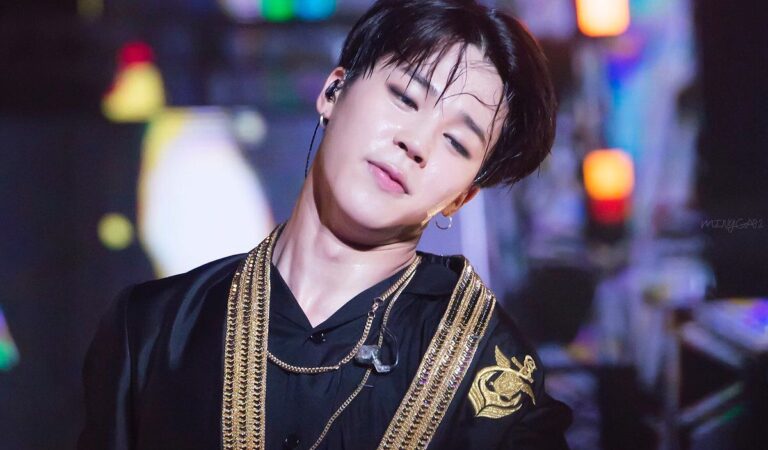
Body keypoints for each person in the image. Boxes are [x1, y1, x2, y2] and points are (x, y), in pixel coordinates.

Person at [78, 1, 572, 449]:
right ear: (333, 91)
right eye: (405, 97)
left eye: (457, 142)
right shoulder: (154, 329)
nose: (416, 143)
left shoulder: (489, 374)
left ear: (461, 197)